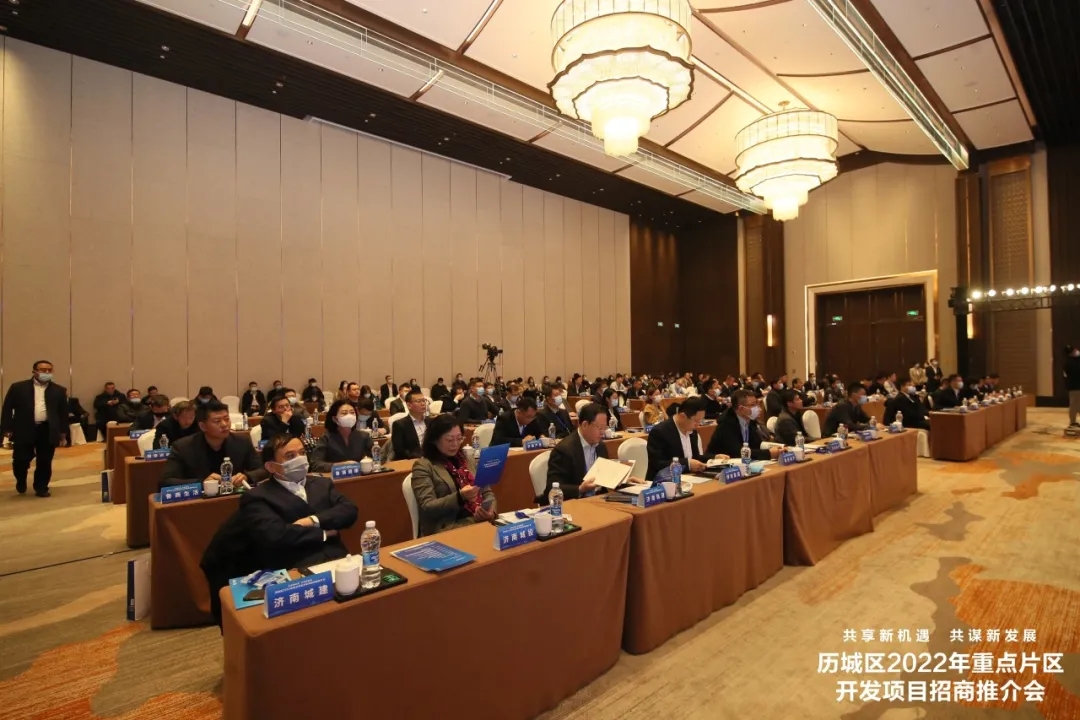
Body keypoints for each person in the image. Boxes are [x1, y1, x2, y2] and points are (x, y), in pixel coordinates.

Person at [241, 435, 358, 571]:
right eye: (290, 456)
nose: (300, 459)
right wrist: (324, 533)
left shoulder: (322, 483)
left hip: (338, 559)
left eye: (302, 453)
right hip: (295, 566)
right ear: (271, 467)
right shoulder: (257, 496)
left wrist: (311, 521)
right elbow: (275, 535)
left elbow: (349, 510)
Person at [410, 414, 496, 537]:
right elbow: (427, 507)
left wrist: (490, 512)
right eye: (449, 440)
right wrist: (460, 497)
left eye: (459, 438)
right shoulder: (423, 466)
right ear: (434, 440)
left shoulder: (467, 458)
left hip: (478, 521)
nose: (455, 444)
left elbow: (486, 491)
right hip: (449, 528)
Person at [162, 400, 266, 488]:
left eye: (227, 419)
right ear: (203, 426)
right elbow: (166, 481)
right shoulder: (182, 447)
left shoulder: (242, 442)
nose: (224, 425)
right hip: (199, 502)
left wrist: (247, 477)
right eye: (217, 421)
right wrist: (202, 482)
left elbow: (263, 470)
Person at [1, 360, 67, 496]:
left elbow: (63, 413)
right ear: (34, 371)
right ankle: (21, 479)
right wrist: (6, 428)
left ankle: (41, 487)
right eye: (43, 370)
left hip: (47, 429)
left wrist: (63, 433)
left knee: (45, 460)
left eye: (49, 370)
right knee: (21, 459)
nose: (46, 372)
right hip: (24, 428)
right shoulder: (18, 387)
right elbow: (7, 408)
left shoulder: (59, 390)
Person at [543, 402, 612, 501]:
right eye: (599, 427)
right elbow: (551, 488)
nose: (603, 432)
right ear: (585, 425)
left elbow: (606, 476)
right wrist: (580, 489)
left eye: (605, 427)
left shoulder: (601, 446)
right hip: (575, 502)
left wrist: (623, 481)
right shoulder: (564, 450)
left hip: (598, 499)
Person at [708, 389, 780, 461]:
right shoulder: (726, 424)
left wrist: (777, 447)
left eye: (756, 403)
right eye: (753, 405)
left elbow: (756, 444)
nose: (758, 408)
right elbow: (737, 452)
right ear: (741, 408)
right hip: (721, 463)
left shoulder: (750, 419)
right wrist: (768, 453)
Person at [309, 399, 374, 472]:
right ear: (335, 419)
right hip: (335, 477)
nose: (349, 416)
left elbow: (377, 457)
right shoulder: (326, 438)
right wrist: (340, 465)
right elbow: (315, 464)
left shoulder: (364, 436)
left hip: (360, 476)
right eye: (344, 413)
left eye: (352, 413)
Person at [391, 389, 430, 461]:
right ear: (409, 405)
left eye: (424, 400)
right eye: (419, 401)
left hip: (431, 460)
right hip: (411, 461)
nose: (423, 404)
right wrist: (419, 458)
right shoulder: (399, 425)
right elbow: (399, 451)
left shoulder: (431, 421)